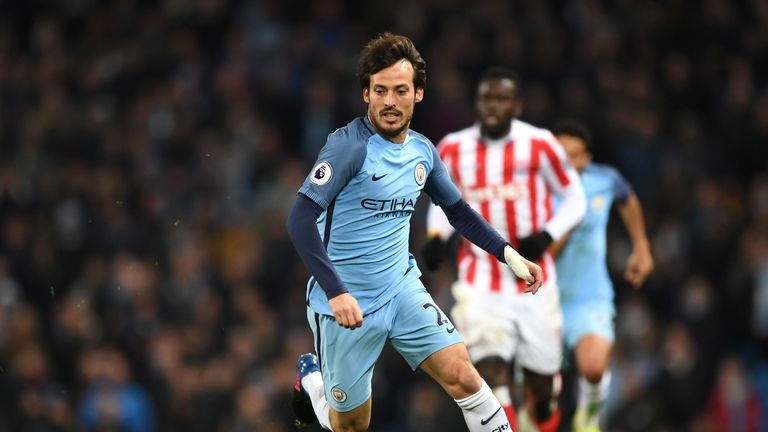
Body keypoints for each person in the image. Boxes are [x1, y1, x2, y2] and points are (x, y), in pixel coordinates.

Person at [286, 33, 543, 432]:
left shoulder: (422, 152)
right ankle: (312, 380)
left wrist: (510, 255)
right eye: (381, 90)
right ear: (366, 94)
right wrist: (336, 292)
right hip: (346, 303)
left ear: (418, 94)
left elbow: (458, 211)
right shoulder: (348, 149)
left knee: (464, 375)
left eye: (400, 90)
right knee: (349, 426)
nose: (390, 101)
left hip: (402, 289)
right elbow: (300, 219)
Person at [423, 67, 586, 432]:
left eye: (502, 99)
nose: (494, 105)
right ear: (478, 103)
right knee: (492, 374)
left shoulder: (540, 144)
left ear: (517, 105)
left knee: (541, 397)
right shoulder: (452, 147)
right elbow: (440, 201)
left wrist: (546, 236)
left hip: (534, 285)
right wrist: (437, 237)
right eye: (487, 98)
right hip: (481, 284)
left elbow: (574, 197)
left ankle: (542, 407)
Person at [550, 119, 654, 432]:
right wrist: (565, 228)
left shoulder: (604, 180)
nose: (566, 162)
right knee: (540, 393)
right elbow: (532, 258)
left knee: (594, 368)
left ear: (587, 159)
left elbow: (628, 199)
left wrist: (642, 246)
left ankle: (588, 416)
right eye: (560, 154)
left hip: (588, 298)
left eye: (574, 155)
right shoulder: (533, 189)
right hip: (542, 302)